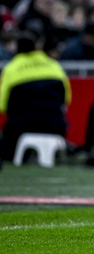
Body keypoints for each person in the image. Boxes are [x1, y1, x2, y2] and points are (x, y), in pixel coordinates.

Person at [0, 32, 71, 162]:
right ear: (36, 47)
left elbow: (3, 105)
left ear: (16, 48)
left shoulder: (11, 69)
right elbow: (66, 99)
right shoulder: (53, 65)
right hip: (54, 125)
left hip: (21, 127)